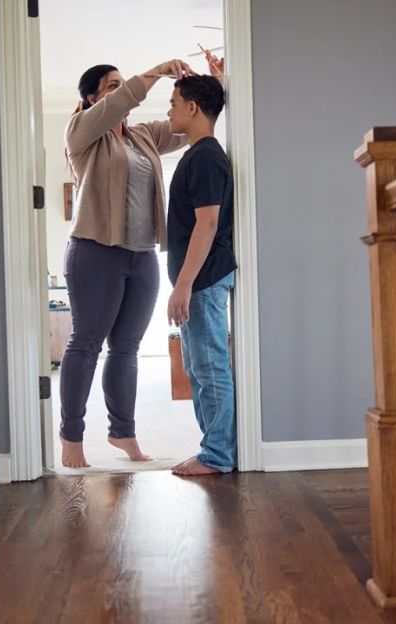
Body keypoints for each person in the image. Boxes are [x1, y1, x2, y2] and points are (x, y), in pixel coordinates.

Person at [60, 59, 195, 468]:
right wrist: (154, 72)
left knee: (127, 349)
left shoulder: (144, 137)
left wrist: (216, 80)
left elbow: (190, 125)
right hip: (95, 251)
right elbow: (118, 105)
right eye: (112, 86)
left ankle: (123, 433)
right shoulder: (83, 131)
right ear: (93, 97)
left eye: (123, 85)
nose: (121, 93)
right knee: (85, 345)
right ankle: (71, 438)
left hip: (141, 255)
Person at [163, 67, 237, 476]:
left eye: (173, 104)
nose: (170, 110)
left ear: (193, 108)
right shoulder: (201, 155)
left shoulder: (206, 157)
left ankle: (217, 456)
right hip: (199, 279)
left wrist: (184, 286)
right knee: (200, 368)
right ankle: (214, 450)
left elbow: (207, 224)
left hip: (204, 279)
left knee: (209, 368)